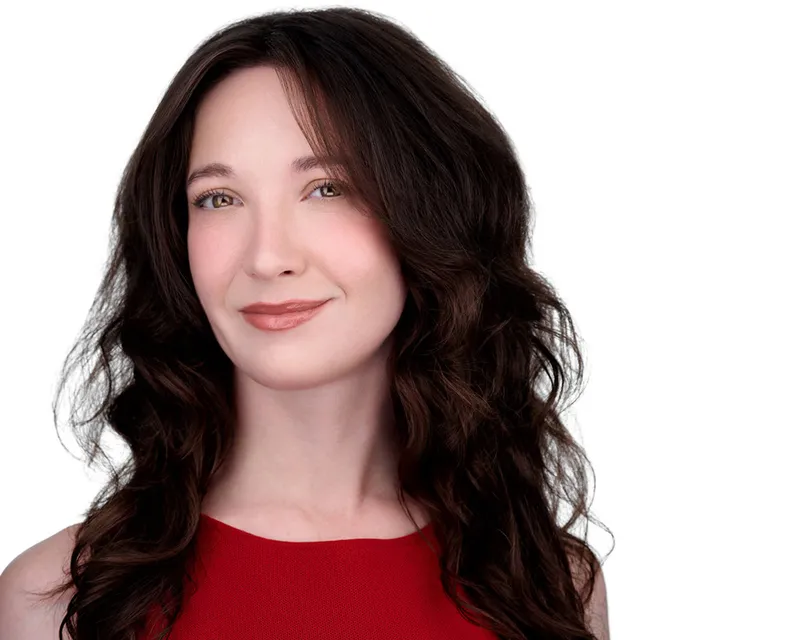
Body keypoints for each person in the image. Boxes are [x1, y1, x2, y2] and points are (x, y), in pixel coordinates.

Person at [0, 7, 611, 640]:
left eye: (326, 188)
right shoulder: (58, 599)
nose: (267, 257)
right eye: (218, 198)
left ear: (431, 214)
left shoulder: (548, 583)